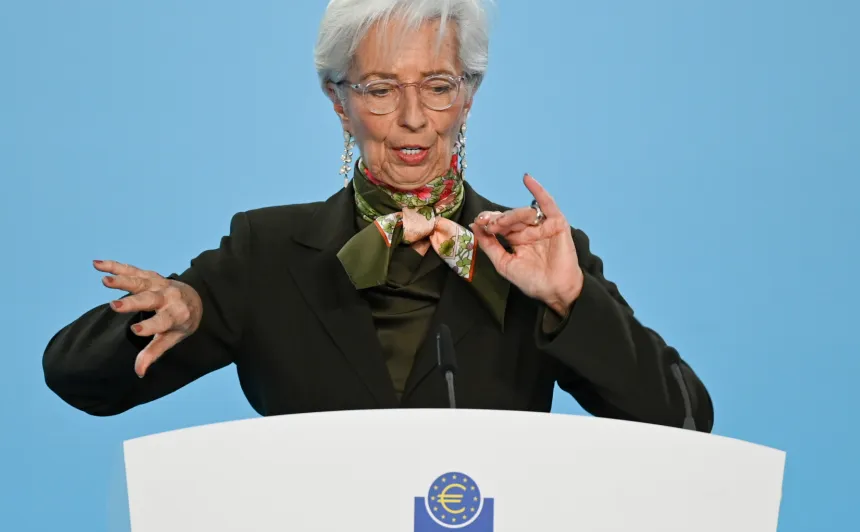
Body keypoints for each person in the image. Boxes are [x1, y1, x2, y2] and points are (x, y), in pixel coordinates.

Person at [42, 0, 713, 431]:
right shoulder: (266, 252)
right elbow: (81, 383)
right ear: (339, 101)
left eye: (439, 86)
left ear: (470, 96)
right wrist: (172, 309)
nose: (415, 118)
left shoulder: (537, 252)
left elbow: (684, 424)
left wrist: (570, 299)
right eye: (382, 89)